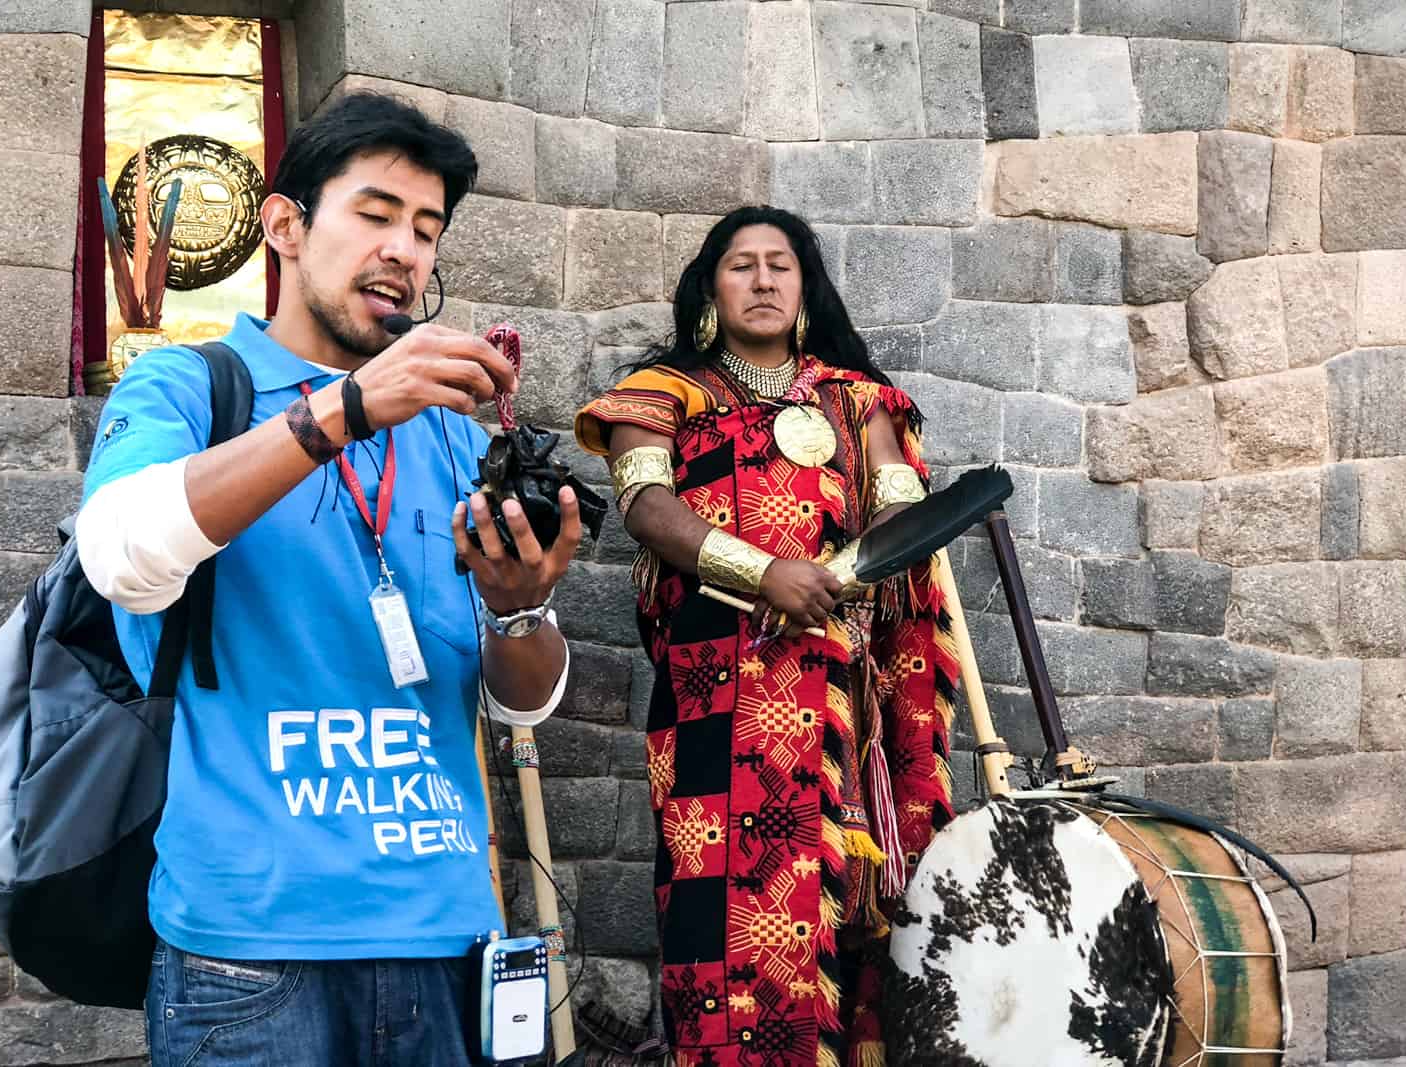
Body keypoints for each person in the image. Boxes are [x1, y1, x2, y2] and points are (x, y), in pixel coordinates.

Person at [75, 92, 581, 1065]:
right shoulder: (189, 389)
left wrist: (524, 607)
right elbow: (120, 555)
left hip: (444, 935)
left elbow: (521, 704)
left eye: (426, 230)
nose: (404, 249)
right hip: (249, 952)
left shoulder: (446, 431)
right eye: (376, 213)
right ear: (284, 225)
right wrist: (341, 411)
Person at [575, 206, 961, 1067]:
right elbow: (646, 507)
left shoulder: (859, 400)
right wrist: (765, 573)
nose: (762, 279)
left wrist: (856, 568)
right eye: (741, 265)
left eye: (779, 265)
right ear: (712, 288)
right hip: (715, 696)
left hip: (837, 696)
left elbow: (899, 502)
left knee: (851, 909)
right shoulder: (661, 394)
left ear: (805, 287)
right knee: (716, 914)